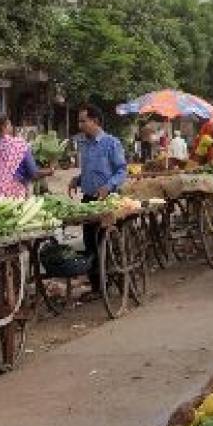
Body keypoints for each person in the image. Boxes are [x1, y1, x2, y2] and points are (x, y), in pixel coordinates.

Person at [69, 104, 128, 294]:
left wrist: (108, 186)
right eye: (79, 121)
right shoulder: (84, 144)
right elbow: (88, 171)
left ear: (95, 121)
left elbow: (121, 170)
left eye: (83, 121)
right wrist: (77, 180)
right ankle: (97, 287)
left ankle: (113, 278)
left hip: (109, 199)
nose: (80, 125)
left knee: (105, 240)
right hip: (88, 199)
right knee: (89, 242)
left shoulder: (111, 143)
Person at [0, 115, 48, 198]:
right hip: (13, 197)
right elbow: (34, 173)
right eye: (9, 124)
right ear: (4, 127)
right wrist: (50, 171)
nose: (11, 127)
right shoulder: (18, 145)